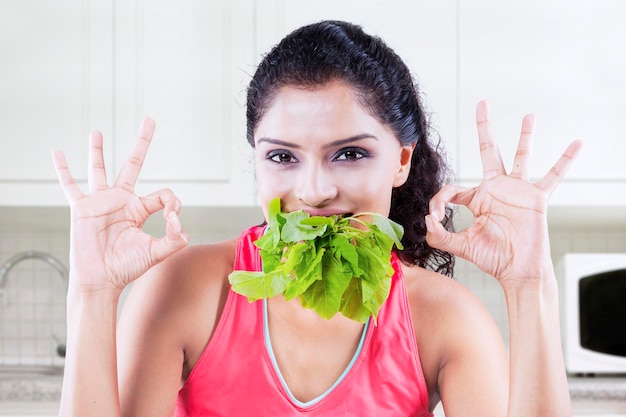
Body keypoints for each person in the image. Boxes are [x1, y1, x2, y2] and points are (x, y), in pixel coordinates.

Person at [52, 20, 581, 417]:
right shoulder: (186, 288)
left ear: (401, 160)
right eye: (282, 157)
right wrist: (92, 294)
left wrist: (530, 285)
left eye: (349, 154)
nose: (314, 190)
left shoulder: (442, 318)